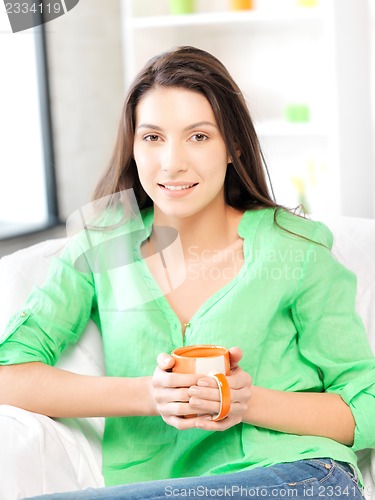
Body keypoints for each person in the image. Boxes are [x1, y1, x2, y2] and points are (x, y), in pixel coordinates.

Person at [0, 46, 373, 499]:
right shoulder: (101, 247)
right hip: (155, 487)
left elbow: (365, 405)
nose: (172, 163)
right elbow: (9, 373)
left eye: (198, 136)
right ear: (133, 146)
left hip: (298, 474)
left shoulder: (295, 248)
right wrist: (149, 395)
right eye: (153, 137)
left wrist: (246, 402)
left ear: (233, 146)